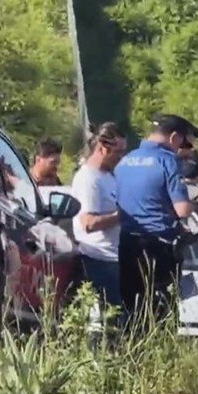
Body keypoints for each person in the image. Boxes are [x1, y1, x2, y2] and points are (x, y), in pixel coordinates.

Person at [114, 113, 198, 329]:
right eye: (181, 141)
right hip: (158, 246)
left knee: (132, 308)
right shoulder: (167, 161)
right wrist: (197, 204)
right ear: (173, 137)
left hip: (126, 242)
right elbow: (181, 210)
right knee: (160, 311)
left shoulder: (125, 160)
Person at [71, 123, 127, 346]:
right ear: (103, 148)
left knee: (120, 320)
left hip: (114, 257)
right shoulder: (88, 179)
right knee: (108, 322)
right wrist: (122, 215)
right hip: (98, 259)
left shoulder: (108, 176)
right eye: (118, 152)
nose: (120, 158)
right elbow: (88, 223)